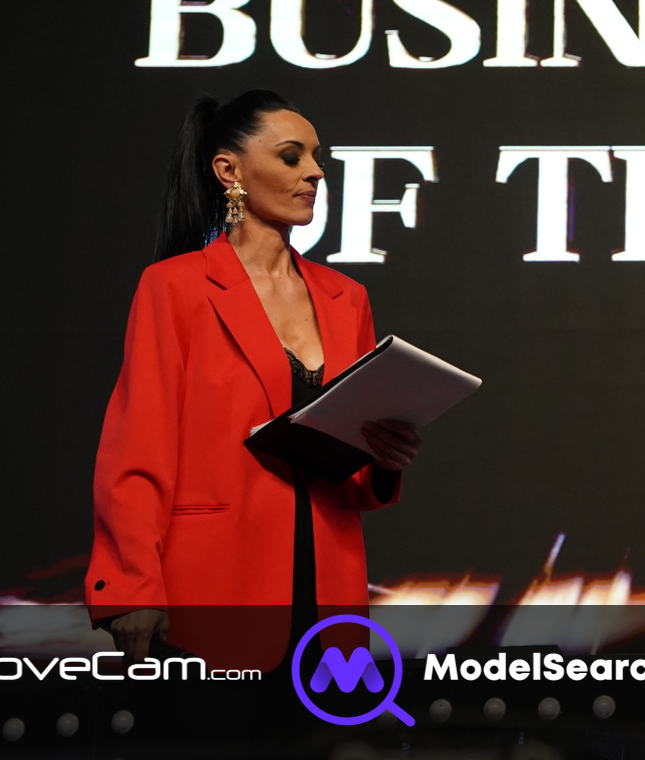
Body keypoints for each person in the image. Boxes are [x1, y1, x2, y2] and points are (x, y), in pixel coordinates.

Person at [87, 91, 421, 671]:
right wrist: (133, 585)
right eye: (292, 156)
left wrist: (384, 457)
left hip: (328, 602)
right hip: (210, 591)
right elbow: (137, 448)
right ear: (229, 171)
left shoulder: (347, 298)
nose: (315, 171)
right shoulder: (175, 287)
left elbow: (355, 482)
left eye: (317, 157)